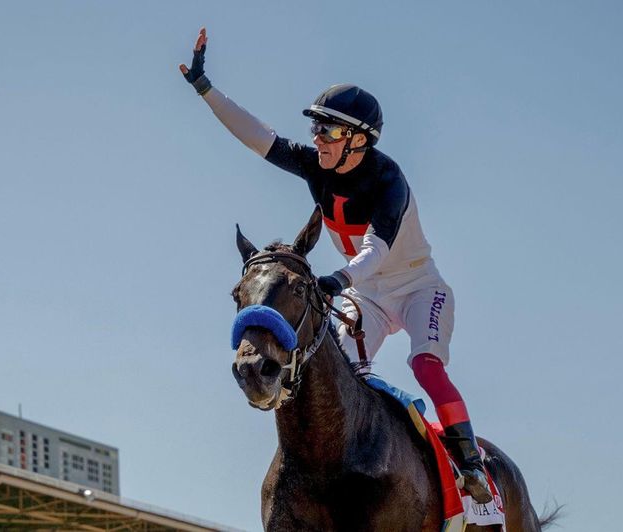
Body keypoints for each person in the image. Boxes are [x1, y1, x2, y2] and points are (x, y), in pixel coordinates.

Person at [180, 28, 492, 503]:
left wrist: (339, 279)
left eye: (327, 130)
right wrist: (205, 88)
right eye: (316, 129)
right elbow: (259, 138)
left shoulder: (389, 181)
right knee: (335, 370)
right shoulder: (316, 165)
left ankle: (470, 464)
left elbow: (377, 250)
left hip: (416, 289)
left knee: (425, 364)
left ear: (358, 140)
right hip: (364, 292)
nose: (317, 138)